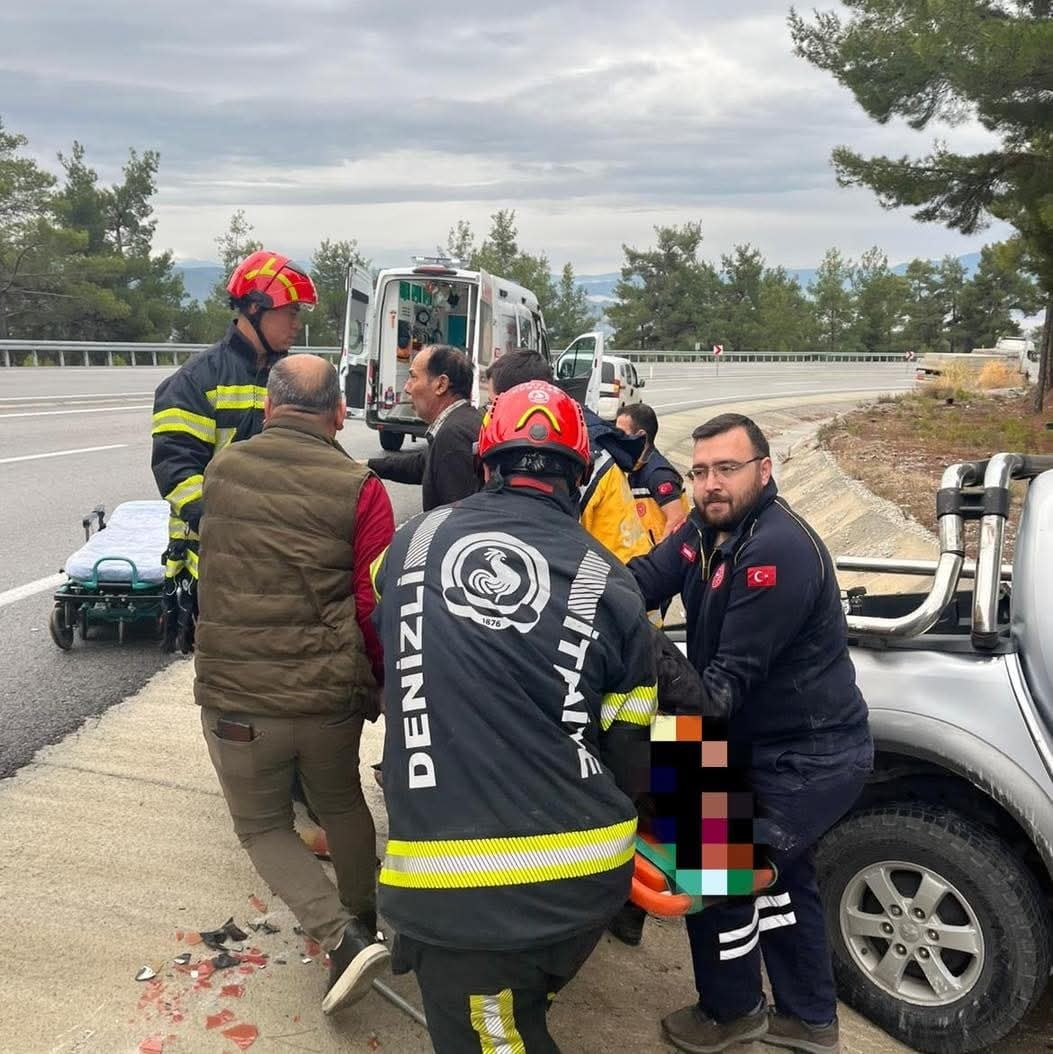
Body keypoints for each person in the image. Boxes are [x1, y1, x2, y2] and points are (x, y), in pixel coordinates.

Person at [371, 381, 658, 1053]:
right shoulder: (609, 581)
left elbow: (384, 628)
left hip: (465, 899)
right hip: (586, 875)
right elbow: (630, 754)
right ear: (578, 475)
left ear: (485, 462)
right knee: (517, 1013)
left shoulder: (412, 547)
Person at [628, 413, 873, 1053]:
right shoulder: (704, 530)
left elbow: (720, 692)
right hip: (742, 737)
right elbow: (641, 580)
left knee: (719, 873)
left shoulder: (775, 550)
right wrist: (580, 590)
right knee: (785, 883)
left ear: (765, 471)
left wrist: (645, 646)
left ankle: (732, 1012)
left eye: (727, 469)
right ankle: (811, 1018)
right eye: (701, 471)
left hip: (806, 756)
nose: (711, 483)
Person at [194, 355, 394, 1016]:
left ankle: (342, 939)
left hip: (236, 694)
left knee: (262, 827)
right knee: (341, 805)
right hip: (326, 697)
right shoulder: (361, 487)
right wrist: (376, 683)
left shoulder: (222, 469)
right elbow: (372, 604)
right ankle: (366, 925)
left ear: (269, 407)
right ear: (339, 412)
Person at [152, 249, 317, 653]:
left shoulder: (292, 378)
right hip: (216, 561)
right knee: (229, 674)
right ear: (255, 308)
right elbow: (178, 475)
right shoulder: (193, 383)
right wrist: (237, 526)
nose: (296, 323)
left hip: (281, 558)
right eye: (289, 312)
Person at [486, 349, 650, 563]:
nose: (488, 414)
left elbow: (629, 565)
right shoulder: (596, 460)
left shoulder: (599, 466)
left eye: (492, 405)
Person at [367, 343, 482, 510]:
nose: (407, 388)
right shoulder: (462, 421)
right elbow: (421, 464)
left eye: (413, 377)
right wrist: (366, 464)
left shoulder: (454, 435)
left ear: (441, 385)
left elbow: (455, 518)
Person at [616, 403, 690, 545]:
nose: (617, 439)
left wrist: (655, 558)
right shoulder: (632, 468)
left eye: (622, 434)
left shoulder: (658, 474)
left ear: (641, 436)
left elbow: (677, 519)